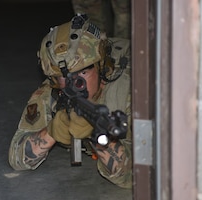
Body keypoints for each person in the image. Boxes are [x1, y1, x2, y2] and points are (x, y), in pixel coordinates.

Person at [8, 14, 132, 189]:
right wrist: (51, 131)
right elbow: (17, 158)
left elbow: (134, 175)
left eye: (83, 73)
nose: (72, 84)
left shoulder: (131, 88)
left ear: (101, 65)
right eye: (62, 77)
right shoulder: (52, 91)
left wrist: (99, 136)